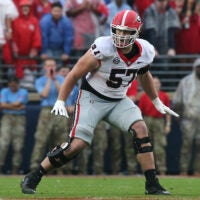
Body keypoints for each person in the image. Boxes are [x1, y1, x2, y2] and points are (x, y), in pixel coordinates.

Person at [21, 10, 179, 195]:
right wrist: (61, 100)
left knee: (141, 129)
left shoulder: (145, 51)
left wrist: (156, 100)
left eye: (127, 32)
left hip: (119, 99)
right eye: (118, 31)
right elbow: (74, 74)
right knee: (76, 145)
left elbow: (144, 75)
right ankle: (34, 176)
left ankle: (152, 184)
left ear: (137, 32)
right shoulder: (103, 47)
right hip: (92, 98)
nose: (121, 36)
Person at [29, 58, 68, 174]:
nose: (51, 68)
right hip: (46, 110)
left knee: (60, 140)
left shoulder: (62, 79)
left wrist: (55, 80)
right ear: (44, 67)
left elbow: (63, 93)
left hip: (59, 110)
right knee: (41, 139)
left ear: (56, 66)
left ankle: (61, 169)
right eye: (48, 65)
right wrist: (49, 80)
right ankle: (34, 168)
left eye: (53, 65)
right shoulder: (40, 80)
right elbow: (44, 94)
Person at [172, 58, 200, 175]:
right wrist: (177, 114)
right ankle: (183, 170)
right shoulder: (186, 81)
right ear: (195, 67)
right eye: (199, 67)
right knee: (186, 146)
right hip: (189, 118)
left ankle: (197, 170)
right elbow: (177, 99)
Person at [138, 77, 171, 175]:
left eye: (157, 83)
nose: (156, 84)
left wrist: (168, 124)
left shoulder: (164, 96)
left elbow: (168, 112)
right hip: (147, 120)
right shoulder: (144, 96)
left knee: (159, 146)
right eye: (154, 83)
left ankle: (162, 170)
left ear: (160, 85)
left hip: (159, 121)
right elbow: (140, 111)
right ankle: (147, 170)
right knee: (146, 146)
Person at [0, 76, 28, 174]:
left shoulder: (23, 92)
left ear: (18, 84)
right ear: (8, 84)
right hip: (7, 118)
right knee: (3, 143)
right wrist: (16, 107)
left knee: (18, 145)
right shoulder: (4, 91)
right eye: (11, 85)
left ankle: (15, 169)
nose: (13, 87)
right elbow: (3, 105)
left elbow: (18, 103)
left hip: (19, 119)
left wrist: (7, 105)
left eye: (14, 85)